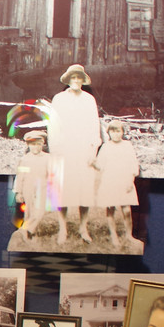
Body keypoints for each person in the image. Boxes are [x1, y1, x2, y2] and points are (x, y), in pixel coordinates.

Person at [48, 64, 102, 245]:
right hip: (64, 148)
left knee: (84, 190)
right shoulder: (59, 99)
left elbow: (94, 125)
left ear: (83, 80)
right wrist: (54, 149)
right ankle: (62, 228)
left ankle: (82, 228)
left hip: (83, 149)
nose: (76, 81)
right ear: (68, 80)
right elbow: (53, 125)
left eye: (79, 78)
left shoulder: (88, 99)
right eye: (73, 78)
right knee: (63, 190)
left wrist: (93, 150)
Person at [94, 120, 140, 248]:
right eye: (112, 131)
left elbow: (133, 164)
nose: (116, 134)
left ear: (122, 132)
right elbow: (100, 165)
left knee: (126, 210)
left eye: (118, 131)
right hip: (110, 181)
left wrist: (131, 180)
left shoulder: (127, 145)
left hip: (124, 180)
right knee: (110, 208)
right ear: (109, 133)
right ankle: (113, 235)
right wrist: (93, 163)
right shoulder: (106, 147)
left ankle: (129, 235)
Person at [13, 130, 53, 239]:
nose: (36, 147)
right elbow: (20, 176)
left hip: (43, 187)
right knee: (29, 211)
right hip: (28, 187)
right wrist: (18, 192)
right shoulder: (25, 159)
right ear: (28, 145)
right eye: (33, 144)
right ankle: (29, 233)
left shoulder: (48, 158)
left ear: (43, 144)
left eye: (38, 144)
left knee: (40, 211)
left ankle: (27, 229)